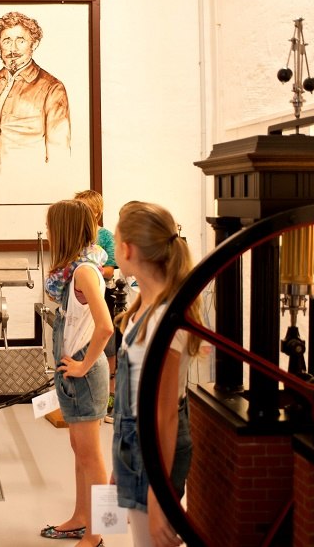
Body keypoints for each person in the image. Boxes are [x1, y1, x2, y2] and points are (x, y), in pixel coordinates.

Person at [110, 201, 202, 547]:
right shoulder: (143, 308)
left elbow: (164, 415)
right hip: (136, 445)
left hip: (154, 451)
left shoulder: (165, 318)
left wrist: (157, 492)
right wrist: (117, 465)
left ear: (127, 249)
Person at [40, 199, 113, 547]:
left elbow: (106, 327)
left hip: (84, 374)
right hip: (75, 376)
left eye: (53, 228)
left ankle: (98, 534)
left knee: (93, 458)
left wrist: (83, 365)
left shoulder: (84, 272)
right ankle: (82, 518)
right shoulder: (76, 269)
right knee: (79, 451)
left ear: (63, 230)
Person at [0, 11, 70, 168]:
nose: (13, 48)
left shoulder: (53, 88)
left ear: (34, 44)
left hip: (29, 184)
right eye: (6, 41)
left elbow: (59, 153)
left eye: (20, 41)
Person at [73, 189, 119, 421]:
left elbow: (112, 269)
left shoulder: (106, 237)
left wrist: (93, 270)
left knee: (108, 349)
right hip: (79, 303)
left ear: (96, 211)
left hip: (102, 298)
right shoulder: (72, 236)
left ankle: (109, 399)